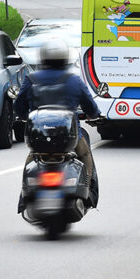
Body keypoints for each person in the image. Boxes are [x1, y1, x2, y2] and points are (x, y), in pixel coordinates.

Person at [14, 38, 100, 208]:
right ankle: (88, 189)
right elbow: (90, 106)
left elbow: (19, 106)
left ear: (43, 58)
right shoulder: (73, 80)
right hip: (69, 136)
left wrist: (25, 115)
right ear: (65, 58)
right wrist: (94, 115)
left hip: (39, 136)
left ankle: (24, 196)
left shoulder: (31, 79)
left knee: (31, 158)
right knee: (85, 155)